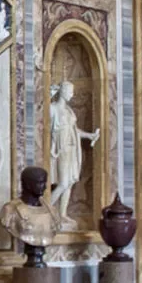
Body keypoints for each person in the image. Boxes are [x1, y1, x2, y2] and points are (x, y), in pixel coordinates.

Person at [48, 81, 100, 228]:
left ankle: (62, 214)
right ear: (63, 91)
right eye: (70, 91)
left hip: (72, 148)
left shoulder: (69, 111)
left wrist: (89, 136)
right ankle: (44, 211)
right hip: (61, 149)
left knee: (70, 182)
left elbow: (74, 130)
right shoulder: (53, 108)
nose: (72, 94)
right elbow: (42, 124)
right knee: (63, 183)